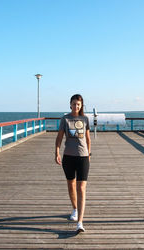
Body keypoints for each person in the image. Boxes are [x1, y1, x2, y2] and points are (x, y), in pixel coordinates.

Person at [55, 94, 91, 233]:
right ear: (70, 104)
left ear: (81, 106)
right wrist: (56, 152)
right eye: (74, 104)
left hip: (82, 157)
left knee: (81, 188)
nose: (76, 106)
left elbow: (88, 139)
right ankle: (75, 208)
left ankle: (80, 222)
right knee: (71, 184)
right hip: (68, 157)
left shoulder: (85, 119)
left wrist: (89, 154)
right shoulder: (65, 119)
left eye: (78, 104)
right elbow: (59, 137)